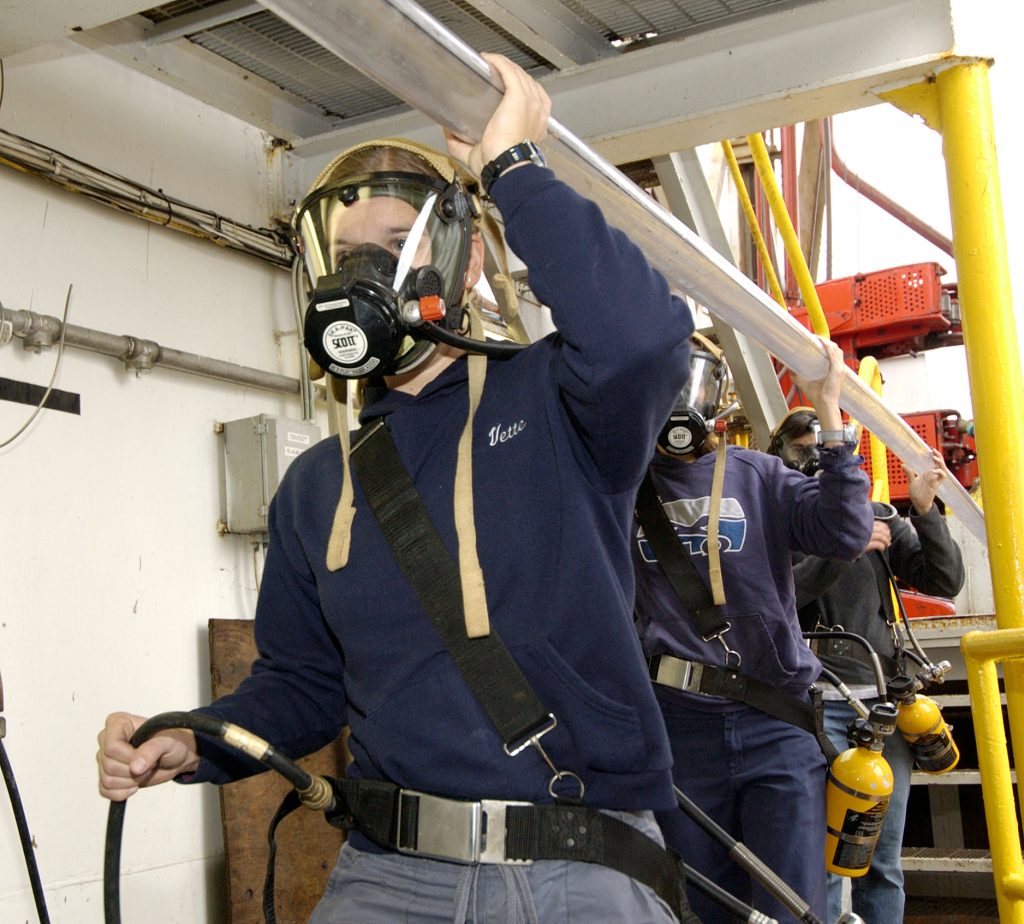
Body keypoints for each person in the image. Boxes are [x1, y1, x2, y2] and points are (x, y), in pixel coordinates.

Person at [97, 53, 699, 923]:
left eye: (391, 251)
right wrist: (197, 740)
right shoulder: (316, 485)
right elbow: (302, 683)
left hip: (571, 861)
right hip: (388, 876)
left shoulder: (558, 400)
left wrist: (514, 171)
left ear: (462, 268)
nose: (362, 280)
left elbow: (644, 336)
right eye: (346, 257)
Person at [632, 336, 874, 924]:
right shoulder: (619, 488)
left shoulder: (759, 475)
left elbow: (844, 534)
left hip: (775, 719)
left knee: (793, 906)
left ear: (715, 397)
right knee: (704, 908)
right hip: (678, 725)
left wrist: (831, 422)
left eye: (690, 383)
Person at [774, 415, 965, 924]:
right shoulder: (775, 522)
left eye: (824, 446)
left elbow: (944, 580)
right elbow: (782, 598)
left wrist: (925, 508)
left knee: (879, 857)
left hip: (879, 708)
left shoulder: (879, 514)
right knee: (829, 859)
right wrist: (844, 544)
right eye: (801, 448)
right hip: (811, 707)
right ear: (781, 455)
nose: (813, 457)